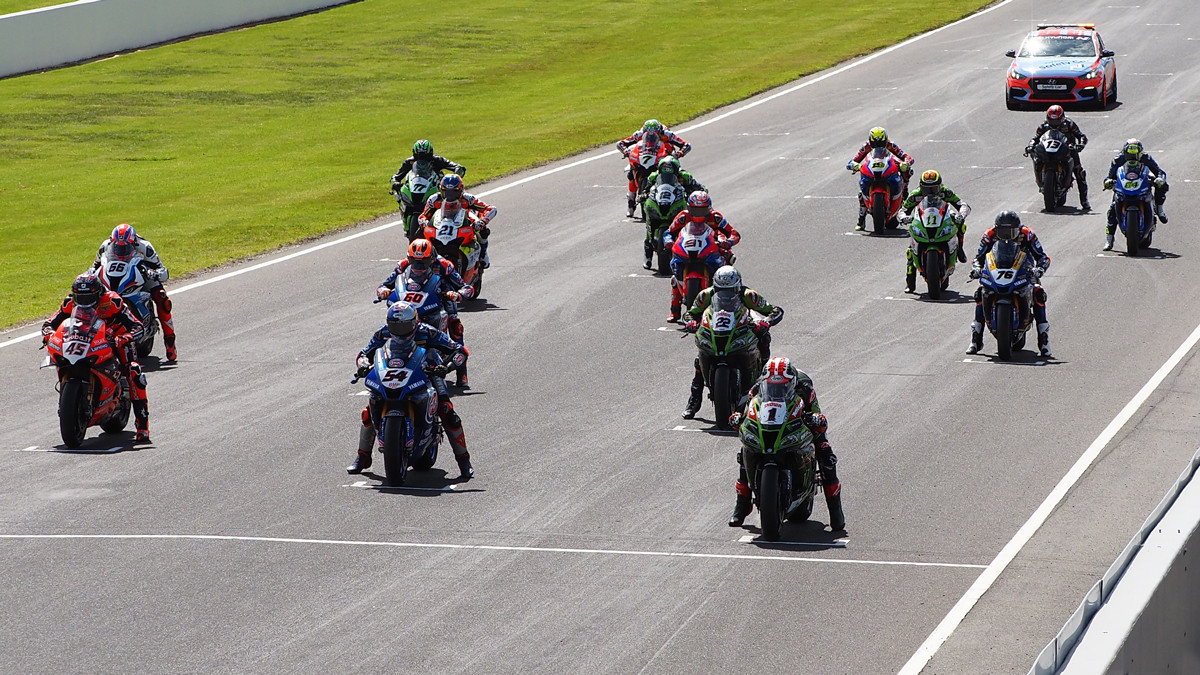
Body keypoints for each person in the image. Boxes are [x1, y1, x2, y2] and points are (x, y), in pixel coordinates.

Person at [347, 301, 474, 479]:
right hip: (393, 374)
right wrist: (363, 365)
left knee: (446, 411)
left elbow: (459, 350)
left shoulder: (427, 331)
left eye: (404, 325)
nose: (399, 330)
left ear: (414, 322)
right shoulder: (382, 333)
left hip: (428, 372)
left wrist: (447, 367)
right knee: (370, 408)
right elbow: (364, 354)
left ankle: (464, 461)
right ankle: (363, 457)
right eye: (395, 325)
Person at [727, 357, 844, 531]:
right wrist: (737, 416)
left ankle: (836, 511)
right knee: (747, 449)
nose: (776, 389)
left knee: (825, 451)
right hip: (769, 427)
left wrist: (816, 419)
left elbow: (816, 412)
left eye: (782, 386)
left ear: (791, 382)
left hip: (796, 425)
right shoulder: (758, 388)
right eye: (772, 386)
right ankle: (742, 504)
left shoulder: (805, 388)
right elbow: (745, 407)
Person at [42, 273, 151, 442]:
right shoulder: (69, 303)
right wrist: (49, 334)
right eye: (80, 297)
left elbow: (137, 325)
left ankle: (143, 426)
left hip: (115, 338)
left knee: (133, 370)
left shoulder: (112, 301)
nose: (84, 301)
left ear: (99, 293)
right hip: (83, 339)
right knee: (61, 361)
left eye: (89, 297)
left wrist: (125, 337)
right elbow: (49, 323)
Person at [682, 266, 782, 419]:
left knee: (764, 335)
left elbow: (774, 310)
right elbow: (690, 313)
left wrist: (767, 321)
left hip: (741, 328)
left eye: (730, 291)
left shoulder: (749, 295)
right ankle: (694, 398)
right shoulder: (705, 295)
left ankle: (763, 371)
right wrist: (690, 322)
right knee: (700, 358)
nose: (725, 295)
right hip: (716, 330)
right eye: (721, 290)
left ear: (737, 287)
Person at [376, 239, 475, 387]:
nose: (419, 265)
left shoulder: (444, 265)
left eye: (423, 261)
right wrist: (383, 291)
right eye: (415, 261)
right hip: (411, 302)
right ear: (409, 258)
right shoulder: (402, 265)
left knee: (455, 325)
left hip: (438, 299)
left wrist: (457, 295)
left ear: (432, 258)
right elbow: (385, 284)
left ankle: (462, 373)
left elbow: (466, 287)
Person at [967, 211, 1052, 357]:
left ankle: (1044, 342)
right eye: (1003, 231)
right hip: (997, 269)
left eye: (1010, 231)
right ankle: (976, 340)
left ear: (1018, 229)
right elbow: (978, 258)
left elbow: (1043, 257)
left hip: (1023, 270)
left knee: (1038, 292)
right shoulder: (989, 235)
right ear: (996, 229)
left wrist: (1040, 269)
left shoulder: (1028, 234)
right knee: (981, 292)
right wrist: (976, 269)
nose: (1006, 235)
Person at [89, 223, 177, 362]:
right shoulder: (105, 246)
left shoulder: (145, 247)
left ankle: (170, 342)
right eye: (117, 247)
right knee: (93, 297)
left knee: (162, 299)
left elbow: (162, 270)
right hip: (115, 275)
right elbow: (93, 267)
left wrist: (153, 273)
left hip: (140, 275)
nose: (120, 249)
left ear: (133, 242)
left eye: (125, 247)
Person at [666, 191, 740, 322]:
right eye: (694, 210)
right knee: (675, 275)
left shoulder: (716, 217)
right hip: (688, 247)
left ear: (708, 209)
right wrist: (668, 241)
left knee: (729, 265)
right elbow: (669, 232)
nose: (697, 214)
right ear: (689, 208)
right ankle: (675, 310)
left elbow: (733, 233)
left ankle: (734, 302)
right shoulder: (683, 217)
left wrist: (729, 242)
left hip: (711, 247)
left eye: (701, 211)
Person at [900, 170, 971, 290]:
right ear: (921, 187)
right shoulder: (915, 195)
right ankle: (910, 282)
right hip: (923, 220)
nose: (930, 192)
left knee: (961, 224)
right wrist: (904, 218)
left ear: (940, 186)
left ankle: (960, 248)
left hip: (942, 218)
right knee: (910, 250)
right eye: (927, 189)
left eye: (933, 189)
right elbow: (902, 210)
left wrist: (961, 214)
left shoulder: (946, 192)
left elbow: (962, 204)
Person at [1102, 138, 1170, 250]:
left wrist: (1160, 178)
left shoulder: (1146, 157)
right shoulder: (1118, 159)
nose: (1133, 158)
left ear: (1139, 153)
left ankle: (1159, 208)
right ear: (1125, 153)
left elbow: (1160, 172)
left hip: (1141, 184)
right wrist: (1108, 182)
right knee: (1112, 209)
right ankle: (1109, 239)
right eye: (1130, 155)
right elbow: (1110, 176)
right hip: (1124, 186)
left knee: (1162, 185)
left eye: (1135, 155)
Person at [418, 174, 498, 268]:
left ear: (461, 190)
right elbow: (423, 215)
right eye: (446, 192)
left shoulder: (468, 199)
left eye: (453, 193)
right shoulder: (434, 199)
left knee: (483, 231)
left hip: (464, 223)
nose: (450, 196)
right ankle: (419, 260)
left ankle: (483, 254)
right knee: (419, 234)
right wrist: (423, 222)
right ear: (441, 190)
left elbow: (491, 209)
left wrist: (482, 222)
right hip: (440, 225)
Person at [616, 119, 692, 217]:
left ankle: (682, 196)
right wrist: (626, 151)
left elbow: (686, 145)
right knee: (631, 172)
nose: (651, 136)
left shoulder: (668, 134)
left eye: (654, 135)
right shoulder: (639, 134)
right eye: (648, 134)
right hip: (645, 154)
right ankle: (630, 203)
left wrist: (679, 153)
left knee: (677, 172)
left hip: (664, 156)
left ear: (660, 132)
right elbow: (621, 143)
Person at [641, 155, 707, 269]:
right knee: (649, 222)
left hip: (678, 202)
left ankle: (691, 250)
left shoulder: (685, 176)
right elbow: (645, 189)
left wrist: (697, 193)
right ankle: (648, 256)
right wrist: (642, 195)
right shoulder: (653, 177)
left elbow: (701, 188)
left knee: (691, 220)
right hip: (660, 201)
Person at [847, 126, 914, 230]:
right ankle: (861, 219)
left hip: (887, 165)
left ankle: (904, 191)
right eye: (875, 144)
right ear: (870, 141)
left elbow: (907, 157)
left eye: (881, 143)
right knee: (862, 187)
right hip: (873, 167)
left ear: (885, 140)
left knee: (907, 171)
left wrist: (906, 163)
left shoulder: (891, 145)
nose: (878, 146)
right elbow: (853, 160)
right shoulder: (866, 147)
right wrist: (855, 165)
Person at [1025, 105, 1090, 210]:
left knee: (1079, 172)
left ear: (1062, 118)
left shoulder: (1069, 124)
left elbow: (1081, 136)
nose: (1054, 123)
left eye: (1056, 121)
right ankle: (1040, 180)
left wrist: (1080, 145)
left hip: (1067, 150)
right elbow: (1035, 138)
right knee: (1036, 158)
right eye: (1051, 120)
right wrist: (1030, 146)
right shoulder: (1043, 126)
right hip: (1048, 150)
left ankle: (1084, 200)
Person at [390, 139, 465, 190]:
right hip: (415, 188)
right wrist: (395, 183)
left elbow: (457, 167)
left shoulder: (437, 160)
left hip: (435, 189)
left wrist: (456, 173)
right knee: (400, 196)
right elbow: (395, 177)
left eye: (425, 156)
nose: (422, 158)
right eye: (420, 156)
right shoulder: (409, 162)